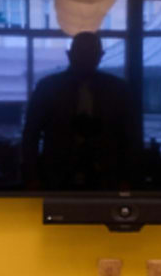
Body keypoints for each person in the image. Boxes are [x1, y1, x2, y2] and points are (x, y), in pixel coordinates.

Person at [21, 30, 141, 191]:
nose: (85, 58)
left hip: (95, 177)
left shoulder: (49, 87)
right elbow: (30, 134)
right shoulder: (117, 88)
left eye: (90, 53)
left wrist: (32, 177)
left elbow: (131, 136)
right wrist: (32, 177)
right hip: (66, 176)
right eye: (82, 53)